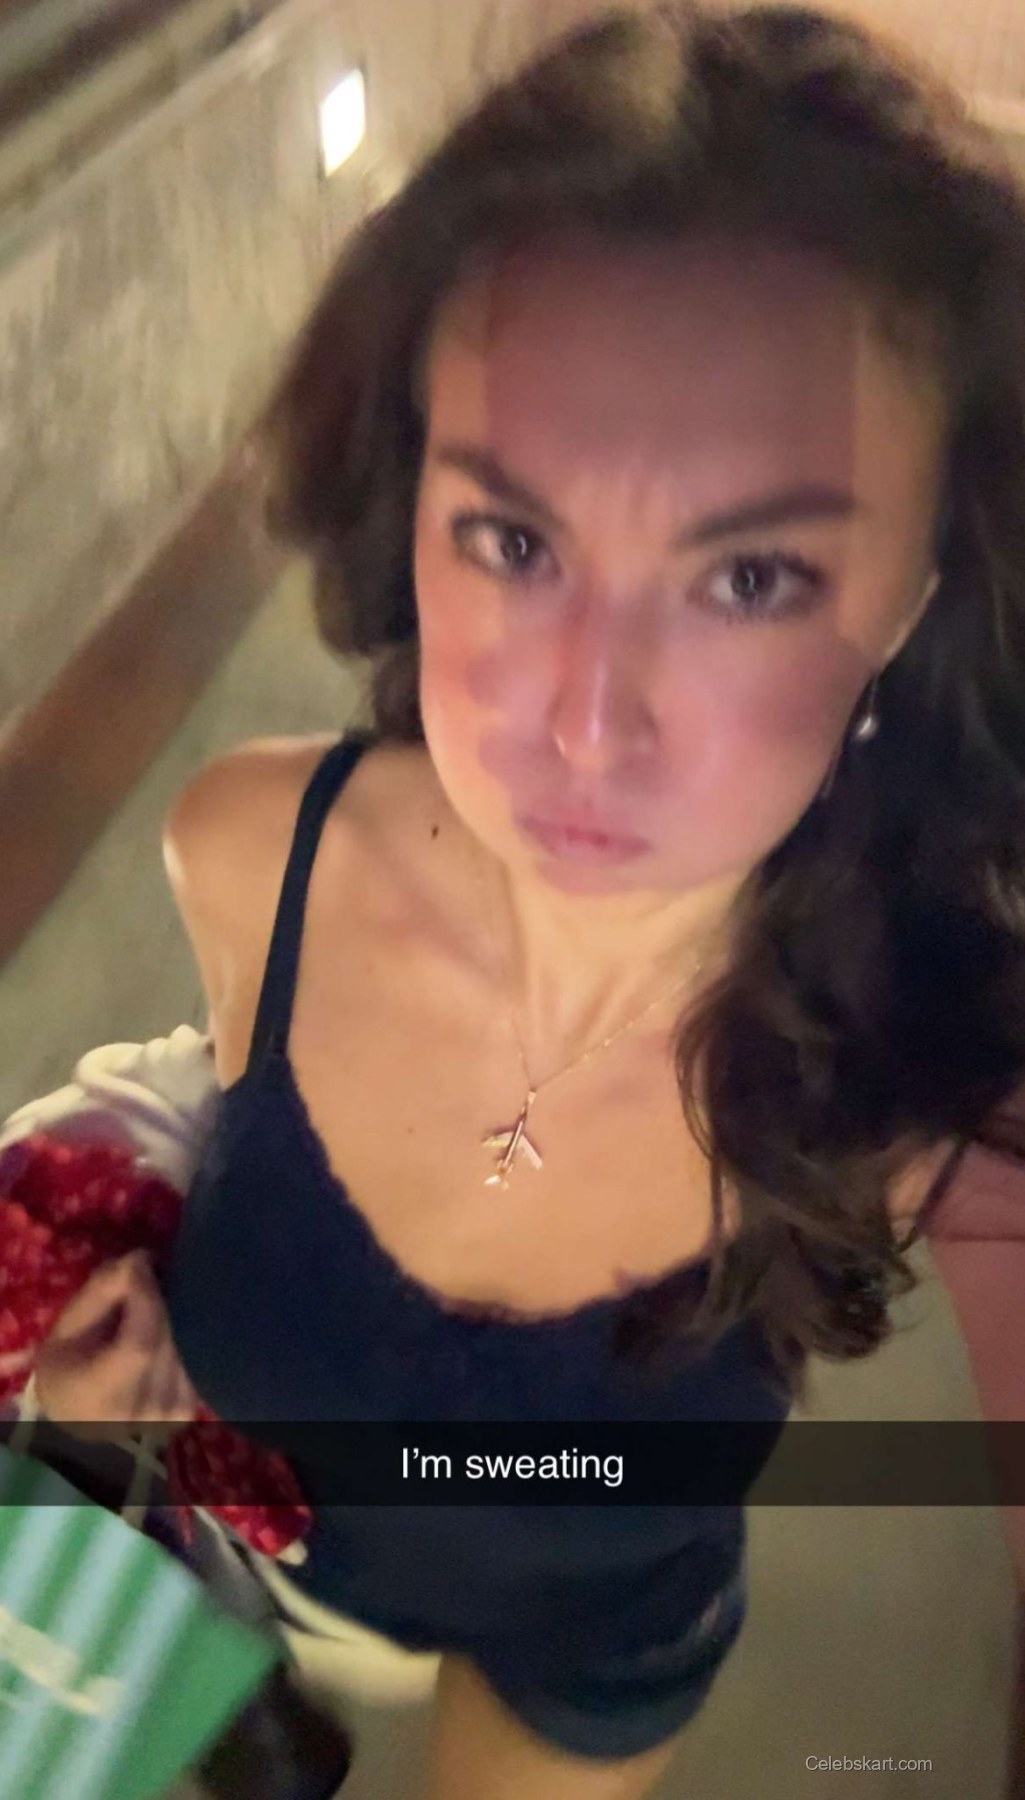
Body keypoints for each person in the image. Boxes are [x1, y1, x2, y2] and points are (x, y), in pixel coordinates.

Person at [22, 3, 1025, 1794]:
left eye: (751, 576)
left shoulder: (936, 1066)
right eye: (513, 540)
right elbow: (215, 1116)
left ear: (920, 589)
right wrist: (106, 1403)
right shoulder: (246, 851)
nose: (582, 724)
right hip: (240, 1562)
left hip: (591, 1650)